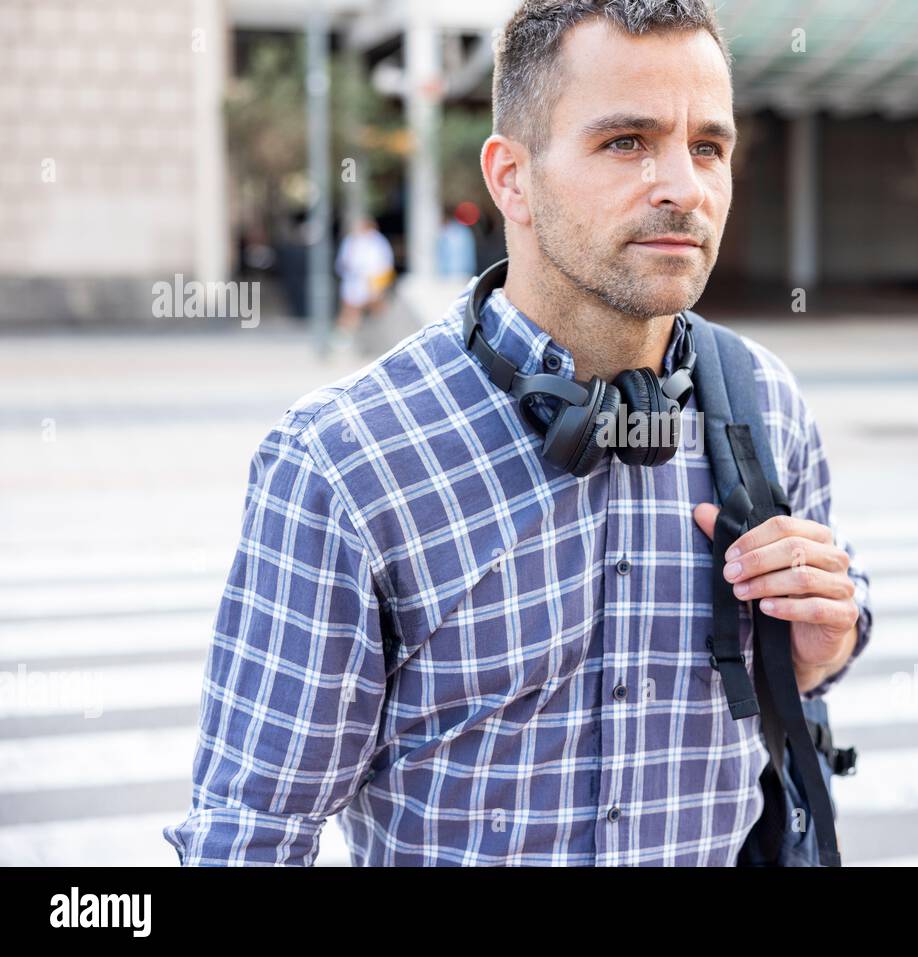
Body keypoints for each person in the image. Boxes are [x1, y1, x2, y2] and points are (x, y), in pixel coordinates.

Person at [163, 0, 872, 866]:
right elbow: (249, 836)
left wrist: (820, 645)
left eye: (708, 148)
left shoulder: (766, 401)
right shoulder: (346, 461)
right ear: (511, 177)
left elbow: (818, 646)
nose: (684, 187)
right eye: (626, 141)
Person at [331, 215, 394, 352]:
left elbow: (384, 265)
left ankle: (377, 343)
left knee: (376, 313)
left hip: (373, 283)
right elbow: (344, 264)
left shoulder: (378, 242)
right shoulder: (351, 241)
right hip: (354, 283)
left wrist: (379, 287)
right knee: (350, 313)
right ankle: (344, 344)